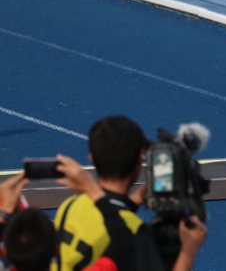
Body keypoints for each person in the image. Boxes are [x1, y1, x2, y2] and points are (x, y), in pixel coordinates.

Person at [54, 115, 208, 271]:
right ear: (140, 159)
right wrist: (189, 249)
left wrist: (137, 198)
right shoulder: (136, 234)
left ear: (92, 159)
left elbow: (108, 214)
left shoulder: (70, 206)